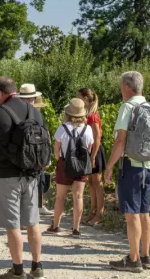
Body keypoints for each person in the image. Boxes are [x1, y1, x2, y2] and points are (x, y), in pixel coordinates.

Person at [0, 77, 47, 279]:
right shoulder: (34, 111)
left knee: (13, 225)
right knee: (33, 222)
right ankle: (37, 267)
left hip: (6, 176)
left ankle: (18, 271)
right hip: (33, 176)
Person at [104, 71, 150, 272]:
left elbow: (120, 141)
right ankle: (145, 255)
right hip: (147, 167)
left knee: (131, 214)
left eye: (120, 85)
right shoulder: (149, 107)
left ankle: (133, 260)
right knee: (144, 212)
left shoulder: (128, 107)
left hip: (130, 166)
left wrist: (109, 166)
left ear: (126, 86)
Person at [46, 98, 94, 237]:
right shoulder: (88, 129)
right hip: (81, 164)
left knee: (60, 197)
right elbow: (89, 149)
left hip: (64, 163)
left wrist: (60, 160)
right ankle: (76, 228)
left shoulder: (62, 128)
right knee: (78, 196)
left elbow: (56, 150)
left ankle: (55, 225)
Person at [16, 84, 53, 218]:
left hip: (35, 154)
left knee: (34, 183)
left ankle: (31, 214)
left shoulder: (37, 115)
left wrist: (47, 156)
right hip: (22, 155)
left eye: (31, 99)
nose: (29, 101)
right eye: (27, 99)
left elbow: (46, 135)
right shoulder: (17, 115)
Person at [78, 88, 104, 227]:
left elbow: (97, 137)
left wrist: (93, 156)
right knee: (91, 183)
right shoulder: (87, 115)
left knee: (97, 182)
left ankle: (100, 213)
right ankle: (93, 212)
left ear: (86, 99)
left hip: (96, 151)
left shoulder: (93, 116)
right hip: (90, 151)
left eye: (79, 97)